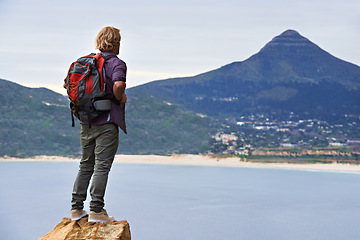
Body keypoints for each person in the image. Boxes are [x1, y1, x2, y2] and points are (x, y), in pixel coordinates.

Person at [68, 26, 127, 223]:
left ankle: (76, 209)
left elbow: (66, 84)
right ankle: (96, 210)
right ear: (116, 42)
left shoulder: (85, 62)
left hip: (86, 120)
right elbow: (118, 85)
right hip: (107, 121)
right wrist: (120, 98)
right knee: (102, 166)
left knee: (86, 164)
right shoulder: (117, 64)